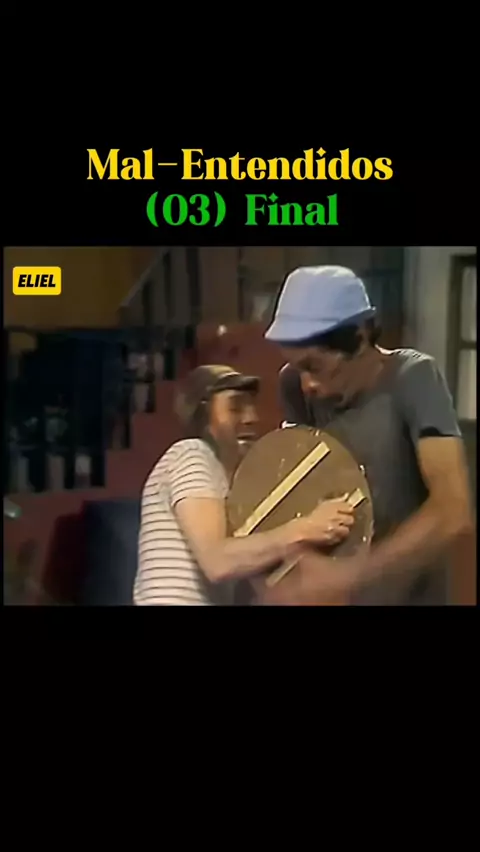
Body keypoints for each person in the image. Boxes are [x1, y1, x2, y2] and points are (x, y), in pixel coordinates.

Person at [260, 265, 474, 606]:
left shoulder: (413, 378)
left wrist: (352, 575)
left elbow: (453, 509)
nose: (307, 384)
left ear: (359, 338)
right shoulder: (295, 388)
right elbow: (300, 493)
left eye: (313, 366)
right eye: (296, 367)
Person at [133, 364, 354, 606]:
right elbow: (217, 561)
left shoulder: (226, 483)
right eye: (235, 408)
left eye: (251, 407)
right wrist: (306, 528)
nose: (251, 418)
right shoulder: (192, 454)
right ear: (203, 416)